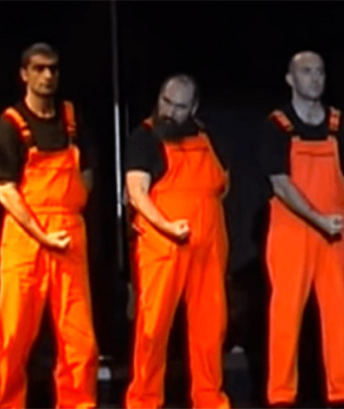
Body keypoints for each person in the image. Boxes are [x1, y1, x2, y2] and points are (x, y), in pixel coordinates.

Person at [0, 42, 98, 409]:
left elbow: (88, 169)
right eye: (39, 69)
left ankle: (78, 404)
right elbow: (6, 191)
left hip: (68, 231)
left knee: (79, 339)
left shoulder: (72, 117)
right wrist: (42, 235)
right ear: (24, 74)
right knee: (14, 335)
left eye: (53, 68)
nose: (47, 75)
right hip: (26, 236)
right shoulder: (11, 123)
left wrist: (75, 202)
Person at [259, 50, 344, 407]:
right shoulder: (277, 125)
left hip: (335, 230)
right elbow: (279, 182)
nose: (315, 78)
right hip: (292, 231)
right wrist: (317, 216)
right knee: (286, 314)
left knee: (339, 313)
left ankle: (343, 391)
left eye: (320, 71)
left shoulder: (340, 123)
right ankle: (281, 395)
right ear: (291, 79)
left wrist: (331, 203)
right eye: (306, 72)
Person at [125, 74, 230, 409]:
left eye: (180, 106)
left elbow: (224, 182)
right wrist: (167, 226)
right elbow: (137, 193)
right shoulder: (144, 137)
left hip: (208, 245)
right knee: (153, 328)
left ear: (194, 108)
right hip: (163, 244)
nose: (169, 112)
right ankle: (144, 401)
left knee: (210, 327)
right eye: (166, 102)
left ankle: (209, 399)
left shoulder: (208, 135)